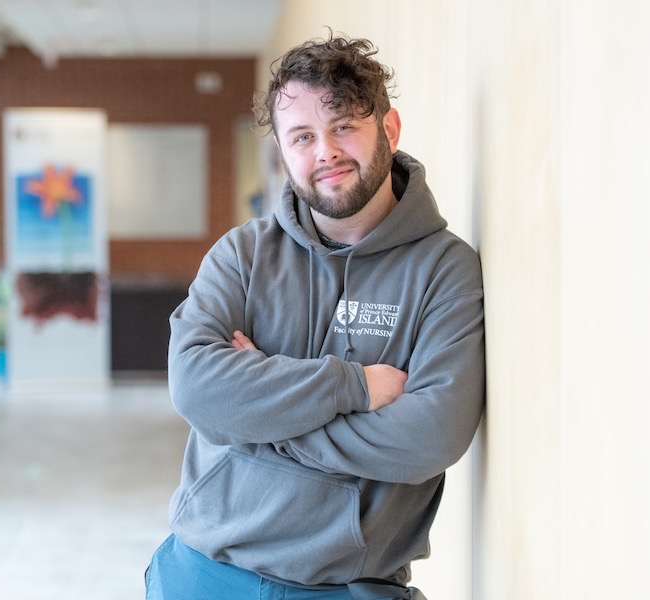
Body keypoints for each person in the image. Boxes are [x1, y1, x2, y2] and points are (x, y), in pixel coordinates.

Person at [145, 32, 485, 600]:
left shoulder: (444, 269)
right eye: (302, 136)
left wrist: (257, 420)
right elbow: (196, 388)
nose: (324, 151)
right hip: (202, 574)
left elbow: (432, 435)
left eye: (343, 126)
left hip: (345, 588)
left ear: (389, 129)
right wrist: (351, 386)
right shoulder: (242, 255)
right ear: (283, 150)